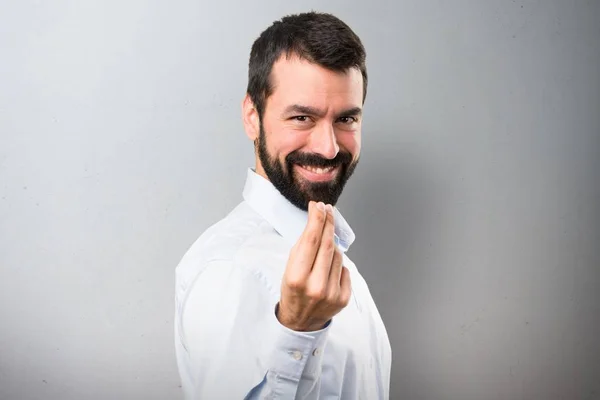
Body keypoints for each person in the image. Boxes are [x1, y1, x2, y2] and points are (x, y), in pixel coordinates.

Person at [174, 11, 392, 399]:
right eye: (302, 117)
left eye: (346, 119)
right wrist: (297, 329)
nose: (328, 147)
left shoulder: (326, 247)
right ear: (252, 117)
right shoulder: (231, 270)